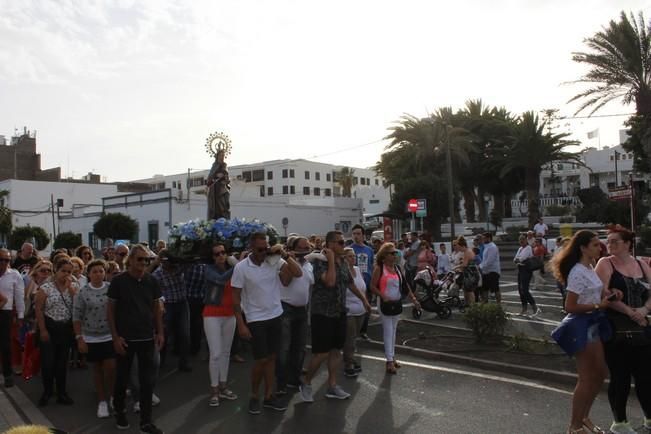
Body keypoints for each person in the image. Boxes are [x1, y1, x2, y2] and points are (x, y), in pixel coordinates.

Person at [231, 233, 303, 415]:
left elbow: (298, 273)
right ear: (251, 248)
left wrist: (284, 255)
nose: (264, 252)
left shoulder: (273, 261)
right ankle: (254, 396)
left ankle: (269, 396)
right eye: (260, 249)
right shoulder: (241, 268)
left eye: (266, 248)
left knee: (272, 357)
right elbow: (235, 298)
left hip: (275, 315)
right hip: (255, 319)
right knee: (261, 359)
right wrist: (241, 324)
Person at [551, 230, 613, 434]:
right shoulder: (578, 271)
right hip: (583, 326)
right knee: (587, 377)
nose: (600, 247)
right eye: (595, 245)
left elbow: (594, 292)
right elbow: (570, 306)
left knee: (600, 374)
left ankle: (584, 417)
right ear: (583, 248)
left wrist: (610, 294)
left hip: (593, 325)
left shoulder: (590, 267)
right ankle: (574, 425)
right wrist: (598, 305)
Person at [300, 231, 370, 403]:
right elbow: (330, 282)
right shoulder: (319, 262)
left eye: (343, 242)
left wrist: (364, 300)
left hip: (339, 311)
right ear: (329, 244)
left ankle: (332, 386)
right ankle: (306, 381)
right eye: (339, 242)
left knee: (336, 351)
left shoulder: (344, 261)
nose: (343, 245)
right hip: (322, 313)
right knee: (321, 353)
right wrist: (331, 260)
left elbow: (349, 283)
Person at [595, 226, 651, 434]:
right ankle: (620, 422)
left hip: (642, 325)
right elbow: (604, 293)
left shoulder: (642, 265)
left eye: (615, 241)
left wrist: (644, 310)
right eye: (608, 241)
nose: (609, 245)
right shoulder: (605, 263)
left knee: (645, 375)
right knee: (621, 376)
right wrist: (630, 312)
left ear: (628, 244)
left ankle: (649, 417)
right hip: (616, 327)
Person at [108, 244, 164, 434]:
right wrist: (115, 337)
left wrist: (160, 332)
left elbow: (156, 309)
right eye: (139, 259)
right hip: (125, 339)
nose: (143, 263)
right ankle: (120, 410)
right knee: (122, 379)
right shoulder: (119, 281)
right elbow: (110, 311)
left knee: (147, 381)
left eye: (147, 260)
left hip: (146, 337)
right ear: (130, 260)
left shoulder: (152, 281)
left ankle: (146, 421)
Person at [73, 259, 115, 419]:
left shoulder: (111, 289)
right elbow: (76, 316)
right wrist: (79, 338)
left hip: (109, 335)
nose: (98, 274)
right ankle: (102, 400)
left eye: (101, 271)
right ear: (88, 274)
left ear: (105, 273)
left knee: (111, 367)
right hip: (91, 336)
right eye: (94, 271)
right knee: (97, 369)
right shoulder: (82, 292)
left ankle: (112, 396)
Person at [370, 243, 420, 374]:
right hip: (385, 304)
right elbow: (372, 286)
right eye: (392, 253)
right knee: (388, 331)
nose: (395, 255)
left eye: (395, 253)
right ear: (384, 255)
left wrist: (413, 299)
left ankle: (391, 357)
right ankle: (389, 361)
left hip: (396, 303)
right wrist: (383, 296)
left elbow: (405, 285)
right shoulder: (380, 268)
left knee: (393, 331)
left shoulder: (397, 268)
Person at [34, 257, 76, 406]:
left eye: (69, 272)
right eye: (63, 271)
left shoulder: (73, 286)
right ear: (56, 271)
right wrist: (43, 329)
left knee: (62, 362)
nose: (66, 274)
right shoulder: (46, 288)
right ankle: (47, 391)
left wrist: (71, 289)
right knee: (48, 363)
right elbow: (38, 309)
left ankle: (62, 393)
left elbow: (77, 307)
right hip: (50, 327)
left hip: (65, 328)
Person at [276, 236, 314, 394]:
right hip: (286, 308)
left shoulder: (309, 265)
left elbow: (310, 285)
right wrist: (291, 260)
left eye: (307, 247)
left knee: (299, 347)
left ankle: (294, 378)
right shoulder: (284, 263)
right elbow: (285, 281)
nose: (306, 250)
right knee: (284, 348)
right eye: (302, 247)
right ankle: (281, 383)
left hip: (302, 309)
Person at [202, 243, 238, 407]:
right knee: (215, 353)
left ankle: (223, 386)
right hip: (212, 315)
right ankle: (214, 389)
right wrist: (238, 265)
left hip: (230, 315)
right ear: (212, 257)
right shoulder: (208, 269)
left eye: (223, 252)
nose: (221, 256)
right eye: (217, 254)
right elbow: (220, 280)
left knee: (226, 352)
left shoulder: (233, 267)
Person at [151, 250, 192, 372]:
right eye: (166, 261)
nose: (169, 264)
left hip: (182, 303)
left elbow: (190, 262)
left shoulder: (179, 267)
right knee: (165, 333)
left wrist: (179, 258)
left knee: (184, 334)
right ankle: (161, 361)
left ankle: (184, 362)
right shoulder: (158, 274)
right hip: (167, 305)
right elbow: (150, 284)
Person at [0, 249, 25, 388]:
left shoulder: (14, 275)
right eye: (1, 259)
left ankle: (8, 374)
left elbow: (19, 296)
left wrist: (21, 315)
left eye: (7, 260)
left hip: (5, 313)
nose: (3, 262)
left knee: (5, 344)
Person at [343, 247, 367, 378]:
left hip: (361, 310)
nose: (353, 258)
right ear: (344, 258)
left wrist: (366, 303)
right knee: (350, 338)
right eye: (350, 256)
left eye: (354, 256)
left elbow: (363, 288)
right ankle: (348, 364)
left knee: (354, 337)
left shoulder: (357, 270)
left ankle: (350, 358)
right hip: (349, 310)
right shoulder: (342, 271)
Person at [350, 224, 374, 342]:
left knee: (366, 308)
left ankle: (363, 331)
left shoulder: (369, 250)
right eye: (354, 234)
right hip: (353, 283)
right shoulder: (349, 249)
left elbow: (371, 266)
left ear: (363, 235)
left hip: (367, 283)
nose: (356, 236)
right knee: (354, 308)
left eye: (358, 234)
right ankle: (353, 333)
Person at [514, 235, 540, 316]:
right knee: (520, 290)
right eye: (520, 240)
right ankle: (524, 309)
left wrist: (518, 260)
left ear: (526, 240)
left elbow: (521, 258)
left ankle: (535, 307)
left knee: (524, 290)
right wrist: (518, 260)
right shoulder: (520, 248)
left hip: (526, 270)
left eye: (523, 240)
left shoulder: (528, 248)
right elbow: (515, 259)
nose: (521, 241)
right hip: (520, 270)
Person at [454, 237, 480, 306]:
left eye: (459, 247)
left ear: (463, 246)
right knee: (466, 289)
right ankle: (467, 304)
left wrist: (456, 267)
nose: (459, 249)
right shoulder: (468, 250)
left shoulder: (467, 252)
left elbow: (464, 264)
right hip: (469, 273)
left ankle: (472, 306)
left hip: (471, 274)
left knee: (470, 291)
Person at [207, 149, 231, 220]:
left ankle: (224, 220)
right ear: (217, 156)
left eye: (223, 155)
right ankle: (215, 220)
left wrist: (225, 178)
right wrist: (216, 176)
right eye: (220, 155)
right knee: (215, 207)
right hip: (214, 190)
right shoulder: (214, 166)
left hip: (222, 189)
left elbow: (226, 175)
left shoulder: (224, 165)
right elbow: (210, 178)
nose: (222, 157)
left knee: (224, 205)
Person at [479, 233, 501, 304]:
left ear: (489, 238)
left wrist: (480, 267)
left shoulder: (492, 247)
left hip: (493, 271)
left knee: (495, 289)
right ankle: (485, 304)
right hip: (485, 271)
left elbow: (489, 261)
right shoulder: (486, 246)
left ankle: (498, 305)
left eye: (484, 238)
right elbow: (484, 260)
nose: (483, 239)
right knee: (484, 289)